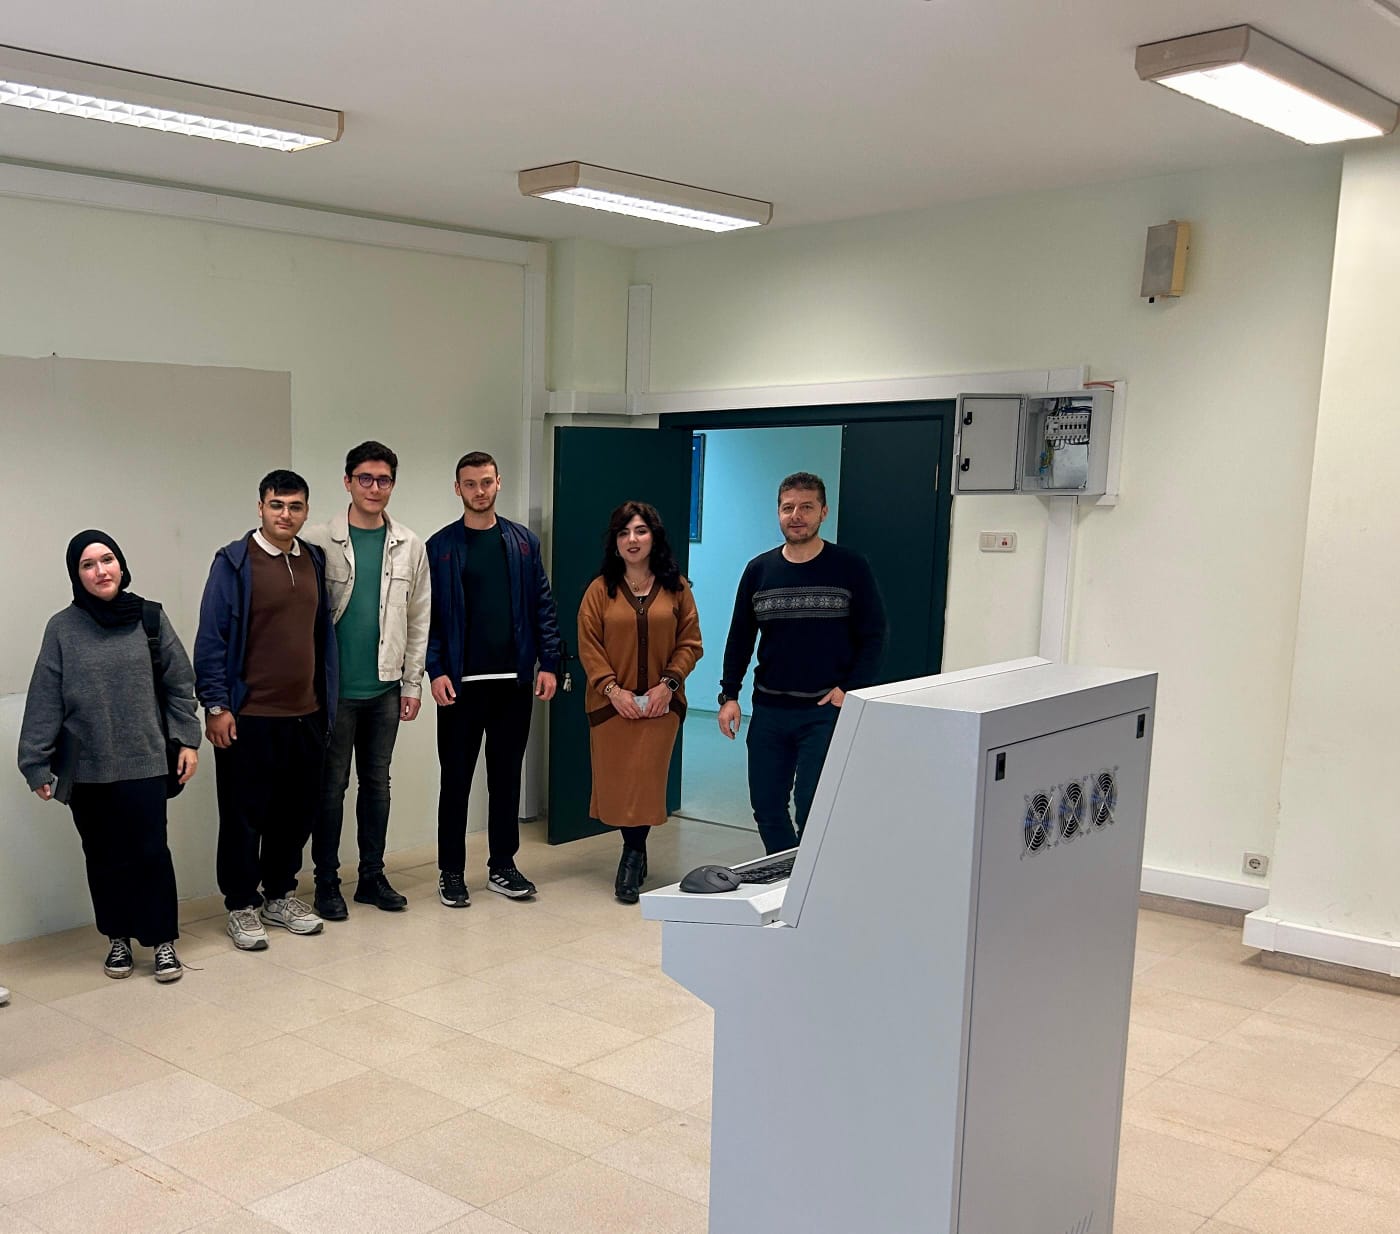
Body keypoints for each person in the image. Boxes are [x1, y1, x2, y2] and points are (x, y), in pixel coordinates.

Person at [17, 531, 201, 983]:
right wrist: (35, 763)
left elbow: (180, 685)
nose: (101, 571)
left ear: (121, 564)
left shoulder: (150, 618)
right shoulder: (62, 628)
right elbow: (45, 697)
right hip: (88, 769)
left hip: (146, 760)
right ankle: (117, 937)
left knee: (150, 853)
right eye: (88, 564)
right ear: (76, 575)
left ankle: (161, 941)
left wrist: (187, 740)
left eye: (108, 559)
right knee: (103, 857)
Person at [194, 470, 338, 951]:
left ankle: (279, 895)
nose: (285, 515)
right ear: (260, 507)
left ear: (306, 511)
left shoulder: (312, 559)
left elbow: (319, 635)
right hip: (249, 716)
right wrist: (216, 706)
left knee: (295, 814)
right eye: (277, 505)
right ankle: (241, 904)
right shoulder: (234, 563)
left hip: (306, 713)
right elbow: (211, 638)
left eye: (295, 507)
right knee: (243, 817)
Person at [718, 472, 887, 854]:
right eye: (788, 507)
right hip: (769, 710)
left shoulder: (850, 567)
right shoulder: (759, 570)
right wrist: (729, 695)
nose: (796, 516)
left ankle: (811, 881)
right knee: (767, 808)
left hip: (824, 711)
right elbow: (740, 637)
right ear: (778, 512)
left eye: (806, 507)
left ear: (823, 512)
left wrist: (850, 689)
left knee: (813, 808)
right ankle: (788, 877)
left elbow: (874, 635)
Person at [302, 441, 430, 920]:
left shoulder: (410, 545)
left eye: (384, 480)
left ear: (392, 485)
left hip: (385, 689)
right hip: (334, 694)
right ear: (348, 482)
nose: (375, 488)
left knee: (377, 784)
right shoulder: (317, 540)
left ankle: (372, 877)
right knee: (330, 788)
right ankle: (326, 882)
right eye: (365, 479)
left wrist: (412, 684)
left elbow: (419, 618)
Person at [426, 451, 560, 906]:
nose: (479, 491)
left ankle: (503, 866)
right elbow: (428, 617)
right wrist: (435, 669)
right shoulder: (440, 547)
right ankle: (450, 872)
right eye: (470, 483)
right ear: (457, 488)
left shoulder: (522, 543)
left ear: (498, 483)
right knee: (456, 781)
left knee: (506, 779)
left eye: (486, 482)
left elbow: (542, 605)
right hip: (460, 687)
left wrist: (549, 662)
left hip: (513, 683)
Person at [577, 502, 702, 903]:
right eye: (624, 532)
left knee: (646, 783)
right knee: (619, 785)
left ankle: (631, 857)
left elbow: (690, 642)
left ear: (654, 537)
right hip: (611, 706)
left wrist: (668, 684)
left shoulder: (677, 588)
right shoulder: (600, 591)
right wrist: (613, 690)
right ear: (615, 542)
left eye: (641, 531)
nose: (632, 539)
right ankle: (636, 849)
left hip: (662, 706)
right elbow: (589, 646)